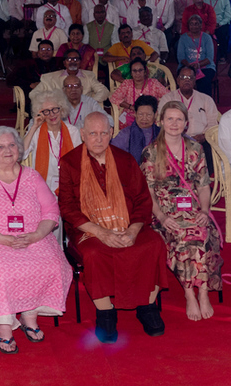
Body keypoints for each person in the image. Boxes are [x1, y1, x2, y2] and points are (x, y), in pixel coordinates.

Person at [57, 112, 171, 343]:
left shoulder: (125, 159)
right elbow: (67, 207)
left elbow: (141, 200)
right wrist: (101, 232)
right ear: (82, 135)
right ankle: (105, 313)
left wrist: (132, 230)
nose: (98, 139)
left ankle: (147, 306)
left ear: (111, 134)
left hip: (128, 223)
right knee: (94, 253)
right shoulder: (70, 163)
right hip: (89, 227)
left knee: (154, 244)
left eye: (103, 133)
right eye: (92, 134)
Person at [0, 127, 69, 353]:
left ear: (19, 149)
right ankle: (5, 328)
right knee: (1, 269)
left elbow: (50, 210)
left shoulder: (32, 176)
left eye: (11, 145)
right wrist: (3, 239)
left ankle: (30, 316)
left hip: (32, 235)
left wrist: (38, 235)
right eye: (1, 146)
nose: (7, 150)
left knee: (52, 263)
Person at [138, 101, 222, 321]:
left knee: (200, 232)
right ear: (161, 121)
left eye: (179, 119)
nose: (174, 124)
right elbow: (148, 194)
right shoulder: (151, 153)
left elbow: (203, 185)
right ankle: (189, 293)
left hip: (192, 207)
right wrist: (163, 217)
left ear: (186, 123)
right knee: (184, 236)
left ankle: (202, 292)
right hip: (163, 212)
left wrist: (204, 210)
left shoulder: (195, 149)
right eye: (170, 119)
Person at [21, 91, 79, 188]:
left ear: (61, 109)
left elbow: (78, 160)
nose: (52, 114)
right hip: (42, 185)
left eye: (55, 109)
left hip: (69, 185)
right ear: (40, 113)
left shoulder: (72, 131)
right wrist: (34, 127)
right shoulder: (36, 132)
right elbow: (21, 154)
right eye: (46, 111)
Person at [111, 59, 168, 127]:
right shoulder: (127, 84)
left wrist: (157, 104)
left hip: (150, 117)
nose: (137, 73)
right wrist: (131, 107)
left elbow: (168, 96)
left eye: (140, 70)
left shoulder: (154, 83)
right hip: (131, 115)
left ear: (145, 72)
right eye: (134, 71)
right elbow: (114, 98)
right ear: (131, 73)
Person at [111, 95, 161, 161]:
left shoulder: (161, 133)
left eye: (148, 115)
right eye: (140, 114)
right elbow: (112, 154)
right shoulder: (126, 134)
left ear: (155, 114)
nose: (144, 118)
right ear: (135, 113)